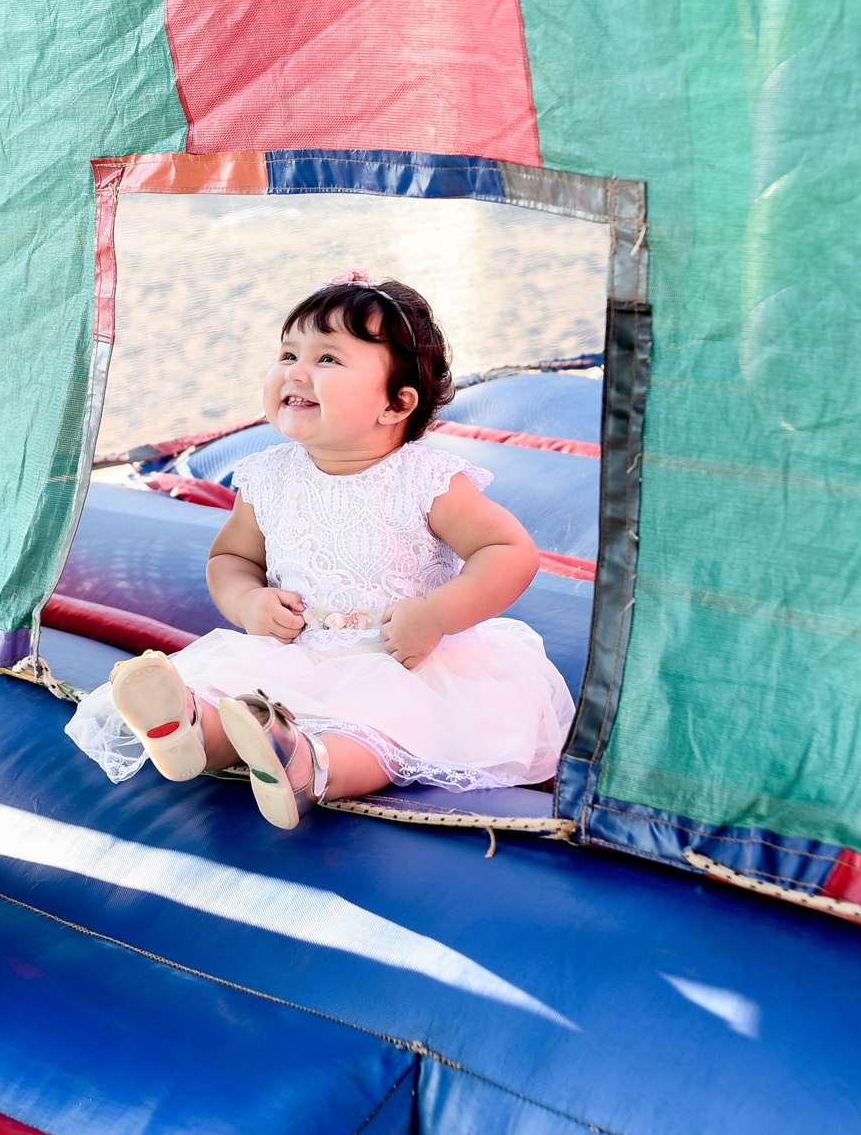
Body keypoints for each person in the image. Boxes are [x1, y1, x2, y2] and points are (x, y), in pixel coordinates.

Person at [67, 275, 576, 827]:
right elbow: (231, 560)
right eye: (288, 352)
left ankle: (307, 766)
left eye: (328, 358)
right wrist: (248, 604)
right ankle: (186, 726)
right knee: (232, 695)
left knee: (377, 730)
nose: (295, 371)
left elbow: (508, 551)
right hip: (297, 653)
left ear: (395, 403)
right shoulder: (268, 475)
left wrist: (435, 616)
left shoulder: (426, 479)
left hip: (400, 662)